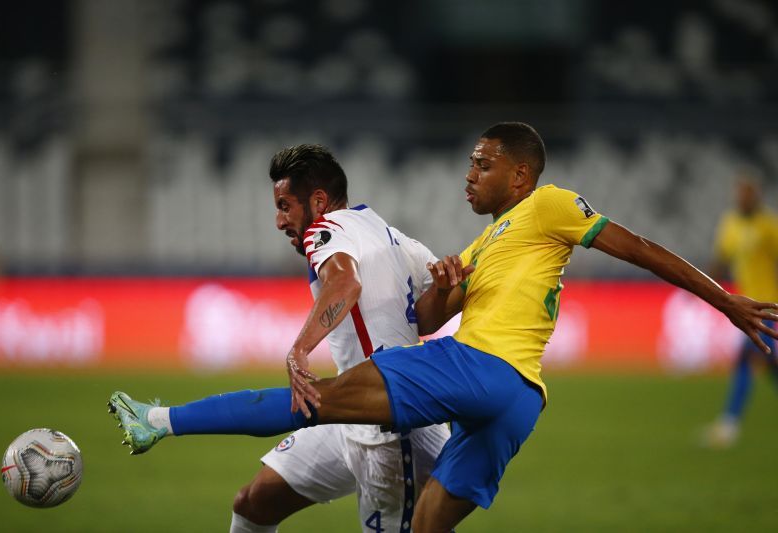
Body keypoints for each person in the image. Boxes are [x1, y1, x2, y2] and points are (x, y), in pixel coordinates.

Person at [110, 123, 778, 532]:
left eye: (482, 164)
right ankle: (162, 421)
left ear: (519, 173)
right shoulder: (462, 243)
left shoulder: (548, 203)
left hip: (461, 379)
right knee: (275, 501)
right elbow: (425, 310)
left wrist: (727, 300)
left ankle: (161, 421)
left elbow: (634, 244)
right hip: (509, 401)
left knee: (303, 400)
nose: (468, 174)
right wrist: (445, 285)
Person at [130, 144, 450, 533]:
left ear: (318, 202)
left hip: (391, 434)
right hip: (354, 413)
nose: (279, 221)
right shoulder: (389, 234)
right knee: (254, 503)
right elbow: (431, 311)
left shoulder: (325, 230)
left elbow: (345, 283)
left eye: (284, 206)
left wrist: (299, 350)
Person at [702, 175, 778, 448]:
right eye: (740, 193)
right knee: (769, 364)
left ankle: (729, 424)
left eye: (748, 193)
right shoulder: (730, 224)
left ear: (756, 195)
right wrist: (703, 286)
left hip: (768, 306)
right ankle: (728, 423)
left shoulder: (769, 226)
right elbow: (721, 259)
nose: (742, 198)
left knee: (745, 359)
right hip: (746, 306)